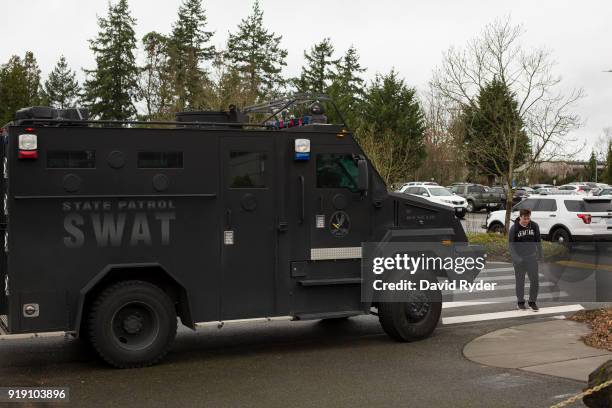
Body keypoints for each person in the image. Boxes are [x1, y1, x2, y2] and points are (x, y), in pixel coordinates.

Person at [508, 208, 543, 311]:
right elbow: (511, 246)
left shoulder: (534, 226)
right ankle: (520, 302)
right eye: (525, 218)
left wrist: (540, 255)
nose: (526, 220)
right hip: (519, 259)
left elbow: (538, 241)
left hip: (531, 257)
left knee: (535, 281)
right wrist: (517, 258)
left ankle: (532, 302)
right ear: (520, 217)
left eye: (528, 218)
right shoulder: (514, 229)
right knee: (520, 281)